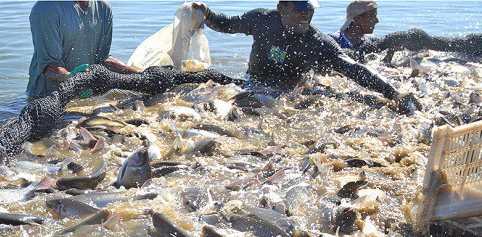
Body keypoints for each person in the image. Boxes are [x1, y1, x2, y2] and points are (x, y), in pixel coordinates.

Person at [191, 0, 421, 113]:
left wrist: (394, 92)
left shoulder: (317, 42)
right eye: (299, 10)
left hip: (286, 93)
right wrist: (206, 13)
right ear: (282, 8)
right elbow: (227, 25)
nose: (306, 16)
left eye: (309, 10)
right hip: (254, 81)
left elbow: (353, 69)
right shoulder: (261, 20)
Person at [26, 1, 139, 98]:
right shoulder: (45, 9)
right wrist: (72, 78)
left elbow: (102, 61)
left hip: (87, 96)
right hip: (46, 96)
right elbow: (49, 67)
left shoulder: (103, 6)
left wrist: (141, 76)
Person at [331, 0, 482, 62]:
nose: (376, 21)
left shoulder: (371, 41)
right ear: (357, 19)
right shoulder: (334, 40)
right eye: (372, 17)